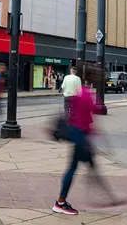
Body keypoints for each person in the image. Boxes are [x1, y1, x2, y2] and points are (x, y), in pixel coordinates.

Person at [53, 64, 97, 216]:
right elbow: (87, 118)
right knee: (75, 168)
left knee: (76, 166)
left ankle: (61, 201)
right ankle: (60, 202)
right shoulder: (85, 95)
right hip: (79, 135)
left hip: (78, 133)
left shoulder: (83, 93)